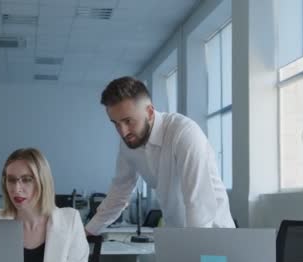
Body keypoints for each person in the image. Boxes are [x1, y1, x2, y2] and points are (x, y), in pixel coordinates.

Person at [85, 76, 235, 235]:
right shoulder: (129, 143)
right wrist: (86, 233)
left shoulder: (184, 133)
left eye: (128, 121)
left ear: (149, 112)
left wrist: (194, 251)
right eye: (115, 123)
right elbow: (119, 194)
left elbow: (198, 204)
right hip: (178, 236)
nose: (122, 132)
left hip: (213, 236)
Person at [0, 148, 93, 262]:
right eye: (11, 180)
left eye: (26, 180)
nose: (17, 189)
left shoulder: (69, 219)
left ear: (43, 182)